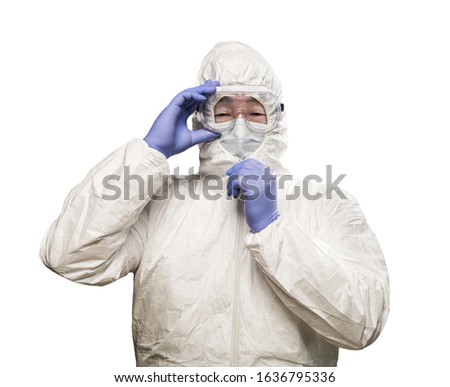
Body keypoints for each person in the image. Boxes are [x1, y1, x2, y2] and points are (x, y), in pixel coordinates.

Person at [40, 41, 390, 367]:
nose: (240, 125)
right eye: (223, 112)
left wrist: (273, 230)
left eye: (255, 113)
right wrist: (149, 154)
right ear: (200, 119)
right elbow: (69, 257)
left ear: (277, 120)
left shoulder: (325, 204)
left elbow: (362, 324)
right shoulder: (160, 200)